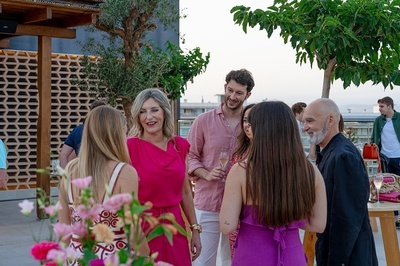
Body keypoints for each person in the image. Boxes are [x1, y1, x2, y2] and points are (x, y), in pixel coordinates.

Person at [220, 101, 327, 265]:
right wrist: (289, 219)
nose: (247, 127)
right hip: (291, 256)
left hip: (252, 257)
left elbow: (227, 225)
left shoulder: (241, 170)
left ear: (259, 129)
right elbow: (318, 225)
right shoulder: (311, 171)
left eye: (251, 124)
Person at [58, 106, 150, 262]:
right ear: (118, 134)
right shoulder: (125, 172)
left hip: (77, 258)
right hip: (111, 259)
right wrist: (147, 257)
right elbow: (133, 230)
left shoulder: (70, 170)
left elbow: (64, 230)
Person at [187, 68, 255, 266]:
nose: (233, 97)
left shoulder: (250, 123)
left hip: (240, 205)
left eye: (239, 93)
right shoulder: (203, 121)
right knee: (202, 261)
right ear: (225, 87)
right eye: (230, 90)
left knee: (232, 260)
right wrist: (206, 174)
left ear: (248, 95)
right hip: (207, 202)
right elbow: (190, 157)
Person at [127, 88, 201, 266]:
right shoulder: (129, 147)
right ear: (137, 116)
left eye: (154, 110)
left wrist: (195, 230)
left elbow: (185, 192)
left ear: (164, 112)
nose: (149, 117)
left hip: (175, 227)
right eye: (143, 112)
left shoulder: (180, 146)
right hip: (143, 228)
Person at [303, 98, 378, 265]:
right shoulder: (333, 152)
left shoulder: (343, 156)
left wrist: (335, 261)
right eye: (303, 122)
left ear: (330, 120)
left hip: (348, 257)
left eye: (310, 121)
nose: (304, 127)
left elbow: (346, 219)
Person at [228, 103, 255, 259]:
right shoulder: (240, 152)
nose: (247, 125)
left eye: (252, 121)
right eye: (245, 120)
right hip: (236, 218)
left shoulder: (272, 153)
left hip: (258, 220)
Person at [371, 96, 400, 228]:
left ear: (389, 106)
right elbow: (374, 137)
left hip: (398, 157)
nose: (380, 109)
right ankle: (394, 216)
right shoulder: (378, 121)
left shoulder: (399, 118)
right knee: (388, 188)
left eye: (382, 106)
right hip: (385, 157)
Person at [59, 100, 106, 168]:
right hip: (103, 171)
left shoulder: (78, 130)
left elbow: (63, 155)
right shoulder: (109, 131)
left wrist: (66, 175)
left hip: (82, 170)